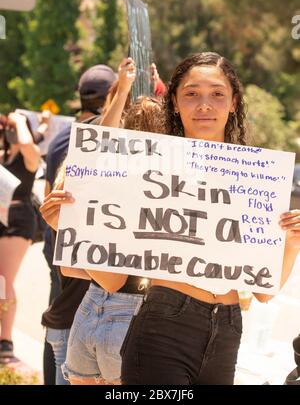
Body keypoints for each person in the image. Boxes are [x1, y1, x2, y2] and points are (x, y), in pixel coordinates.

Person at [119, 52, 300, 385]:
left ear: (233, 103)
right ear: (173, 102)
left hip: (228, 327)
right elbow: (104, 268)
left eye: (218, 93)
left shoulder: (255, 179)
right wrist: (66, 220)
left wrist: (291, 244)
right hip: (165, 325)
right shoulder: (149, 167)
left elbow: (264, 293)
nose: (205, 104)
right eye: (192, 93)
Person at [40, 57, 164, 385]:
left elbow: (70, 268)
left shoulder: (70, 152)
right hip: (109, 319)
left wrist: (71, 236)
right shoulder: (145, 188)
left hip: (74, 316)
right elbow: (105, 278)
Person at [41, 64, 116, 385]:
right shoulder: (101, 140)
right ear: (112, 97)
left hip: (61, 254)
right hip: (89, 275)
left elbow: (48, 198)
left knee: (59, 320)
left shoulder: (61, 139)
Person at [0, 112, 40, 359]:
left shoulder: (29, 157)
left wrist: (18, 120)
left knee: (4, 279)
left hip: (18, 220)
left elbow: (26, 143)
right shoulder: (2, 156)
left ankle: (6, 339)